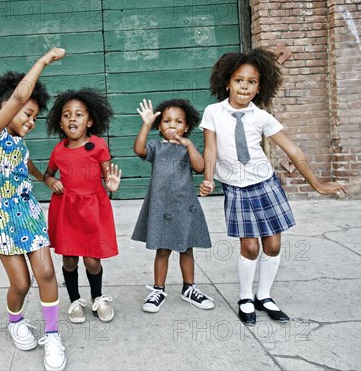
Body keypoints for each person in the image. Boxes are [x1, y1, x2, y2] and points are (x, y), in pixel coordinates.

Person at [199, 48, 346, 325]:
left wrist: (317, 184)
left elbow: (293, 151)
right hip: (236, 187)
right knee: (251, 247)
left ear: (259, 87)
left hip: (265, 184)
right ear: (227, 82)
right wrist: (208, 178)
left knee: (274, 244)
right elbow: (210, 149)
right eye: (239, 80)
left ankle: (263, 295)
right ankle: (245, 297)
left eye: (251, 82)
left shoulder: (261, 117)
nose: (244, 86)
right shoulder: (213, 112)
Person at [0, 48, 66, 371]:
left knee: (45, 272)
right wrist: (43, 61)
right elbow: (19, 96)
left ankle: (53, 335)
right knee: (21, 284)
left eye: (34, 116)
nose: (30, 120)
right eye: (26, 113)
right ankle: (15, 320)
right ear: (6, 108)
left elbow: (23, 162)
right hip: (0, 217)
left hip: (27, 212)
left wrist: (43, 176)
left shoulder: (17, 141)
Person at [43, 88, 121, 324]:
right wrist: (52, 181)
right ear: (60, 122)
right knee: (69, 259)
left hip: (92, 208)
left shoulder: (98, 145)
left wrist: (112, 185)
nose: (72, 119)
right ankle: (75, 300)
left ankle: (97, 297)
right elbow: (47, 174)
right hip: (66, 210)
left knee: (92, 260)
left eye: (78, 114)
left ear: (89, 121)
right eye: (66, 115)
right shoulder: (58, 150)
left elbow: (108, 176)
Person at [132, 98, 215, 313]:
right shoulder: (157, 147)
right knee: (162, 249)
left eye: (178, 122)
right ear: (159, 126)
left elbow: (199, 167)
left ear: (186, 127)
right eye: (167, 121)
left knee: (187, 249)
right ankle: (158, 289)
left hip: (184, 205)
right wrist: (146, 124)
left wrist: (189, 145)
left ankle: (189, 288)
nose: (172, 125)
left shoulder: (188, 148)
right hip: (161, 207)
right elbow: (139, 149)